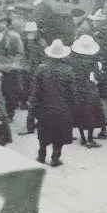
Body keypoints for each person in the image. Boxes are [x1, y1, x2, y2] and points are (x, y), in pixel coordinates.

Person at [29, 39, 76, 167]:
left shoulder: (41, 69)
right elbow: (72, 93)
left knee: (43, 132)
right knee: (59, 133)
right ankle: (55, 157)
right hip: (62, 108)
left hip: (45, 107)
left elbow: (36, 92)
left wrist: (33, 110)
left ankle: (41, 155)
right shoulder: (68, 70)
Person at [69, 34, 105, 148]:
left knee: (79, 112)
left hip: (77, 87)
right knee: (91, 113)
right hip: (89, 88)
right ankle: (90, 138)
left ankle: (82, 138)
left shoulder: (73, 60)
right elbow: (98, 76)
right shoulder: (93, 61)